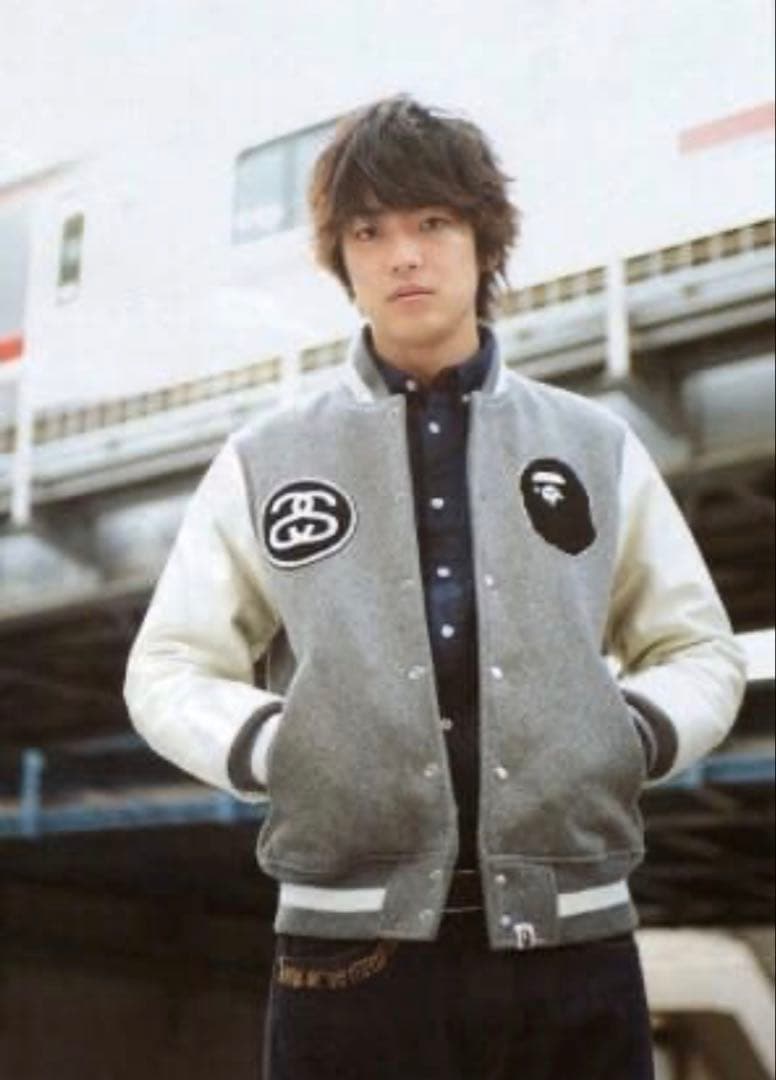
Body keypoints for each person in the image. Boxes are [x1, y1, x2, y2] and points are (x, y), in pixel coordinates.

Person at [124, 95, 747, 1079]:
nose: (402, 255)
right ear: (341, 257)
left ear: (481, 238)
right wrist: (275, 746)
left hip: (573, 946)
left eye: (432, 222)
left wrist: (627, 732)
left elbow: (698, 648)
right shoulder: (265, 459)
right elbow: (166, 665)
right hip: (347, 957)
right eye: (369, 232)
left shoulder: (594, 447)